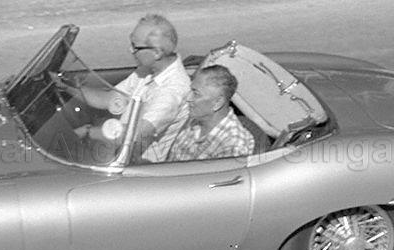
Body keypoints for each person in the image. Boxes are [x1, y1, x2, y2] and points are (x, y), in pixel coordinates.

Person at [60, 14, 190, 163]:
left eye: (135, 47)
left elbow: (138, 133)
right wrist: (66, 87)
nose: (130, 50)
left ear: (157, 52)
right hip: (117, 150)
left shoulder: (173, 90)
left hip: (137, 167)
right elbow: (108, 99)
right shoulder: (147, 71)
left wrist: (89, 132)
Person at [168, 64, 254, 161]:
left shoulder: (232, 143)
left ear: (218, 102)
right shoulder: (194, 123)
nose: (188, 98)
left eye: (196, 94)